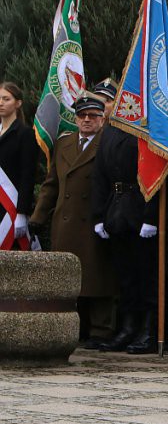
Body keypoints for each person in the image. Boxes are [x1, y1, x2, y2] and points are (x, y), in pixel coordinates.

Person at [29, 93, 117, 347]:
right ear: (76, 119)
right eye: (82, 116)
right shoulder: (64, 144)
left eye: (93, 116)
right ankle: (72, 328)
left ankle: (101, 331)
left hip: (94, 220)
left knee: (98, 277)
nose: (87, 120)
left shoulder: (107, 142)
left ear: (102, 119)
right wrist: (38, 217)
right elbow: (51, 185)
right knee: (68, 279)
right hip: (66, 221)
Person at [91, 109, 159, 354]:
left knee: (146, 275)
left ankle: (148, 330)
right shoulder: (109, 131)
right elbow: (99, 175)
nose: (110, 106)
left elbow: (155, 173)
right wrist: (99, 215)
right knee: (126, 276)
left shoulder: (145, 130)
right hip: (116, 210)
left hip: (140, 209)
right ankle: (128, 328)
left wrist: (151, 217)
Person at [0, 82, 38, 250]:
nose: (1, 103)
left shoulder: (25, 134)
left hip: (11, 209)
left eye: (6, 99)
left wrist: (22, 213)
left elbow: (27, 176)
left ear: (18, 103)